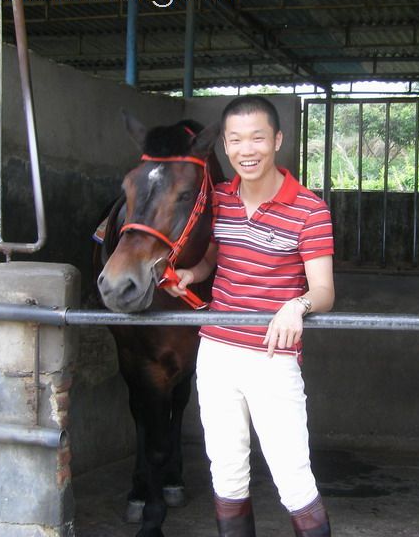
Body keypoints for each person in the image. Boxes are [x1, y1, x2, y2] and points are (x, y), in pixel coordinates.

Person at [166, 95, 335, 537]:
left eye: (258, 137)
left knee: (293, 479)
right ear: (224, 145)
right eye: (236, 139)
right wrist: (192, 272)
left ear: (277, 140)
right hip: (216, 353)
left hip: (272, 358)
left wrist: (296, 305)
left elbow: (324, 291)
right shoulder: (218, 199)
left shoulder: (310, 210)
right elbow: (215, 258)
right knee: (226, 473)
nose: (247, 149)